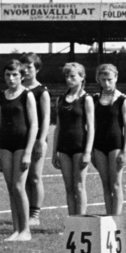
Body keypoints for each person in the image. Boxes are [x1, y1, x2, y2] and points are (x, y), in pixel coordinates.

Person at [0, 59, 39, 241]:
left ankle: (25, 229)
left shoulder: (26, 95)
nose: (11, 79)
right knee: (11, 187)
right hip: (5, 144)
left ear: (22, 76)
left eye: (15, 75)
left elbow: (34, 124)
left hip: (21, 144)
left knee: (19, 186)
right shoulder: (1, 95)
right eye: (8, 75)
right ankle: (15, 229)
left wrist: (28, 151)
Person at [51, 62, 95, 217]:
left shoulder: (86, 99)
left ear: (82, 78)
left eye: (72, 76)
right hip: (63, 147)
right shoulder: (61, 99)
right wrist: (54, 152)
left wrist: (88, 152)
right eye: (66, 76)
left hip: (79, 147)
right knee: (69, 187)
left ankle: (81, 221)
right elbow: (58, 127)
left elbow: (91, 127)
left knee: (79, 186)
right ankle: (72, 222)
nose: (69, 80)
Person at [91, 64, 126, 216]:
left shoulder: (122, 100)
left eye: (110, 79)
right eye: (103, 80)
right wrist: (90, 150)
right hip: (98, 145)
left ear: (116, 78)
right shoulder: (95, 99)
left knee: (116, 184)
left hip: (115, 144)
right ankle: (108, 217)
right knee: (106, 184)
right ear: (99, 80)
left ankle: (116, 219)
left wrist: (125, 151)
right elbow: (91, 125)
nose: (107, 83)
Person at [19, 53, 51, 230]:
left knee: (35, 177)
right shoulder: (18, 89)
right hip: (20, 139)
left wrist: (40, 140)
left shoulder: (42, 91)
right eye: (23, 66)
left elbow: (46, 118)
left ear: (37, 69)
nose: (26, 70)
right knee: (22, 179)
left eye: (30, 66)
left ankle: (35, 214)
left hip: (37, 139)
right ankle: (23, 212)